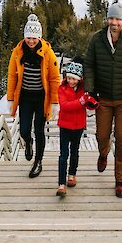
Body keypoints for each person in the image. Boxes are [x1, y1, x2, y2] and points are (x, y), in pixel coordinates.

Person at [83, 2, 122, 198]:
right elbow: (89, 65)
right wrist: (90, 91)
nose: (114, 23)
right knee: (102, 135)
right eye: (111, 18)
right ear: (107, 19)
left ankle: (120, 180)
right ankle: (103, 154)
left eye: (118, 19)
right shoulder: (97, 40)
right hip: (103, 98)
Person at [7, 13, 60, 178]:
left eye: (34, 38)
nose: (31, 41)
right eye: (28, 38)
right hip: (25, 97)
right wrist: (10, 98)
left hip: (41, 98)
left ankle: (38, 162)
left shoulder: (47, 53)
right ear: (24, 37)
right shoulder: (18, 52)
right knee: (24, 130)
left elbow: (54, 78)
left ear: (39, 37)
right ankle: (28, 142)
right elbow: (12, 75)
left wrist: (55, 101)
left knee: (39, 130)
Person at [55, 58, 87, 197]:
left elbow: (90, 103)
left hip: (78, 125)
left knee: (74, 151)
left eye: (74, 79)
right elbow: (65, 106)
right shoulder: (62, 89)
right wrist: (81, 101)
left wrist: (91, 102)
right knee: (64, 154)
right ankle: (61, 184)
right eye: (69, 78)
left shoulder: (84, 89)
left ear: (79, 79)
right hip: (65, 125)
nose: (71, 81)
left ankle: (72, 175)